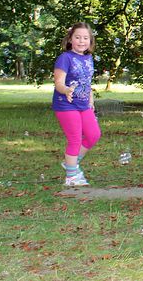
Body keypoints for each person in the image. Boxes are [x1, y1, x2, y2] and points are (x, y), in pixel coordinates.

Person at [53, 22, 101, 187]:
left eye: (85, 38)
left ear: (90, 40)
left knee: (93, 135)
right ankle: (71, 177)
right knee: (74, 139)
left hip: (83, 104)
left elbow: (86, 82)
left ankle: (70, 163)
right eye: (78, 37)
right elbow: (58, 82)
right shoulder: (65, 58)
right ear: (70, 39)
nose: (82, 41)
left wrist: (91, 99)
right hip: (66, 104)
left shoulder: (88, 58)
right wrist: (66, 90)